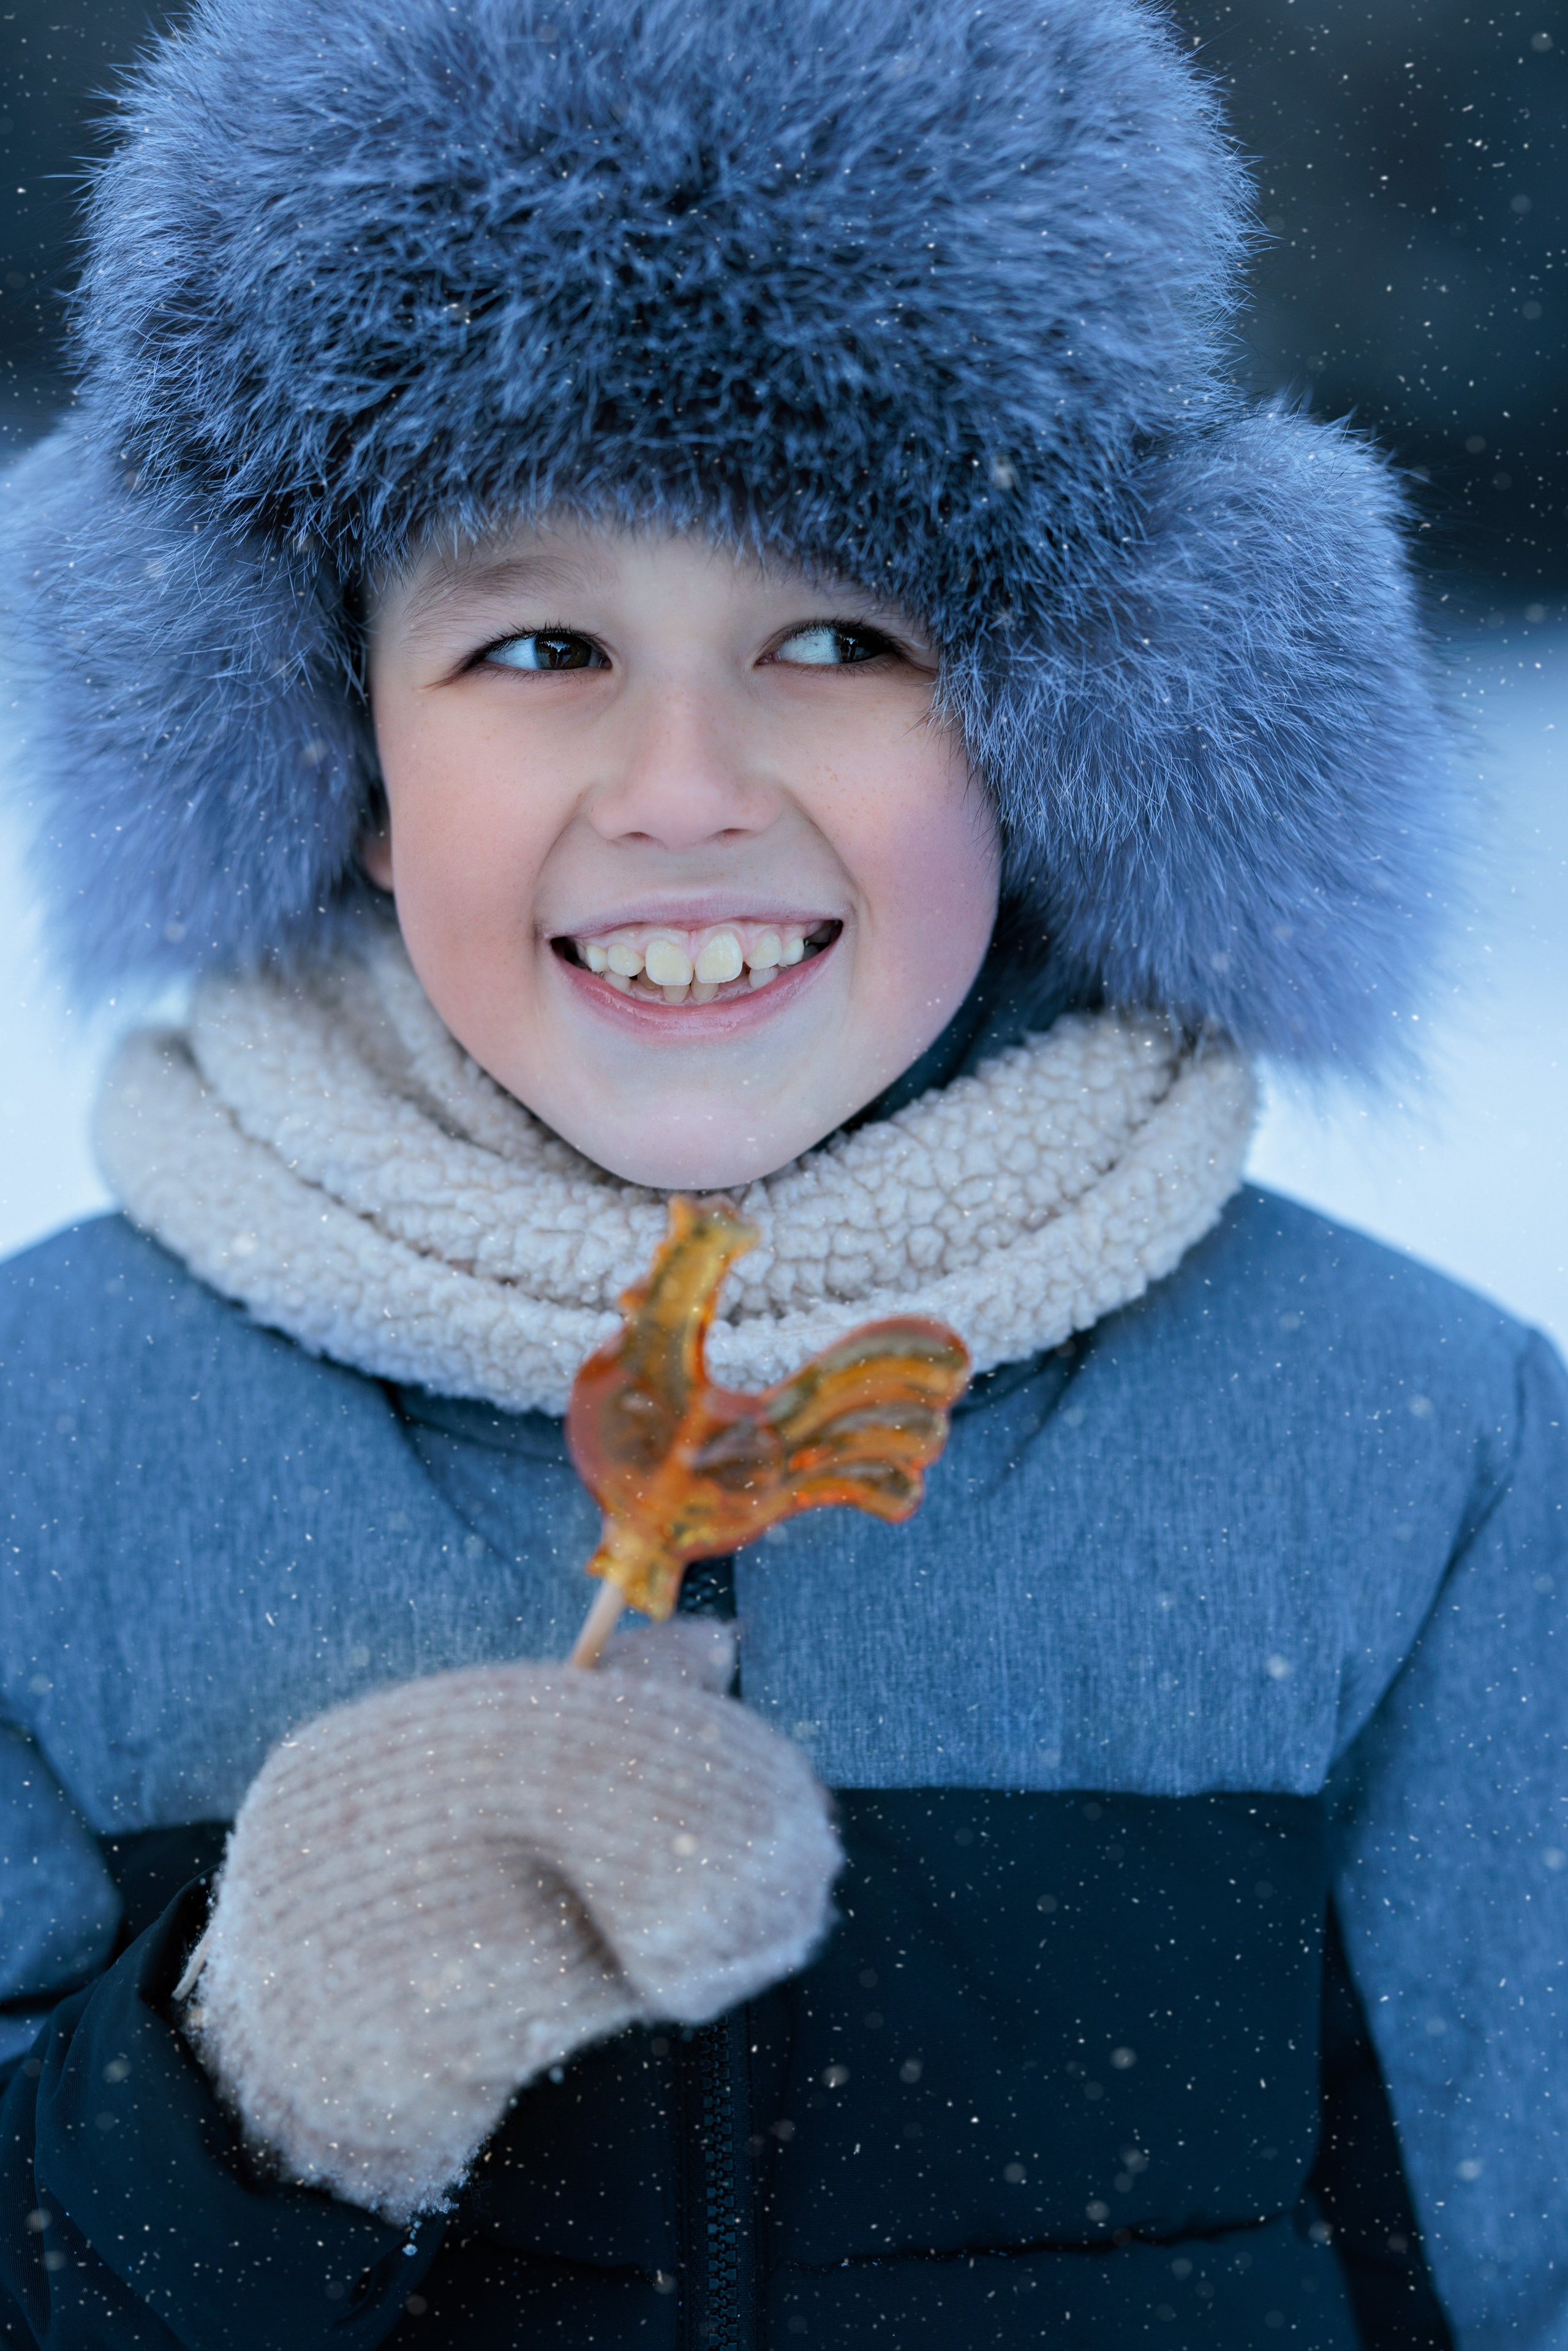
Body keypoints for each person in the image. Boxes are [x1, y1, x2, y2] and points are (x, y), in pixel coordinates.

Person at [0, 0, 1560, 2343]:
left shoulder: (1416, 1449)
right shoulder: (45, 1450)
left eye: (840, 633)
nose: (685, 786)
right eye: (539, 643)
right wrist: (235, 2102)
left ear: (1064, 721)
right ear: (330, 749)